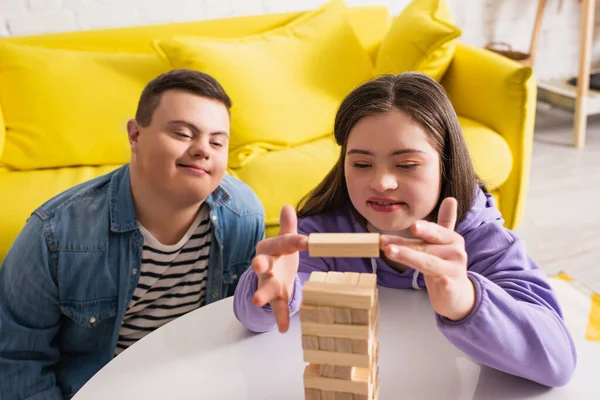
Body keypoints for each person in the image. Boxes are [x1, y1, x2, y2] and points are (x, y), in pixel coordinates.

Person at [233, 72, 577, 388]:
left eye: (407, 164)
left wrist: (465, 299)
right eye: (362, 164)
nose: (381, 182)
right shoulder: (323, 234)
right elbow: (255, 319)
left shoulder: (483, 242)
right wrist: (270, 289)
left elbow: (557, 363)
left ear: (446, 162)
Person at [0, 69, 265, 399]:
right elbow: (17, 360)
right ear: (135, 135)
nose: (203, 150)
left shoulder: (243, 215)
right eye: (183, 134)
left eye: (216, 141)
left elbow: (245, 330)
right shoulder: (55, 234)